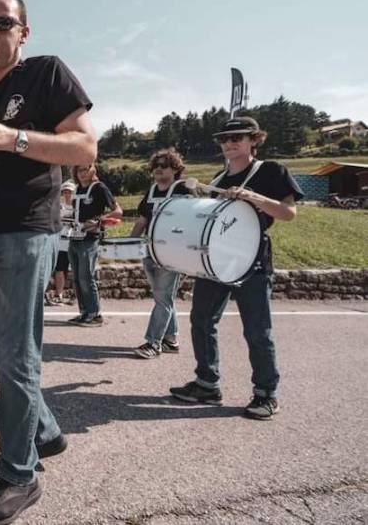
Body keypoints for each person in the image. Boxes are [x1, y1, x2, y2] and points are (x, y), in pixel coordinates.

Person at [0, 0, 97, 525]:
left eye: (2, 24)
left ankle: (21, 474)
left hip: (25, 229)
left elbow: (85, 147)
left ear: (23, 31)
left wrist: (10, 137)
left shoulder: (46, 72)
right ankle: (45, 430)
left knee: (17, 354)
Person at [169, 116, 303, 420]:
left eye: (238, 138)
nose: (230, 143)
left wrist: (253, 197)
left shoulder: (271, 171)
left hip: (252, 262)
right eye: (225, 139)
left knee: (257, 330)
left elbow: (289, 213)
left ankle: (266, 393)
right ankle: (207, 383)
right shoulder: (217, 178)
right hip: (217, 261)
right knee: (201, 320)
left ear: (254, 140)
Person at [130, 149, 190, 358]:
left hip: (172, 252)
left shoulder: (183, 190)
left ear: (175, 169)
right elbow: (142, 220)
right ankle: (171, 340)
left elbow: (191, 222)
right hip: (150, 250)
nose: (158, 169)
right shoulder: (152, 190)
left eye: (163, 165)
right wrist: (130, 241)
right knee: (162, 297)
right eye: (155, 165)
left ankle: (153, 342)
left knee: (163, 298)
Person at [66, 163, 122, 327]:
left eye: (85, 169)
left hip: (90, 238)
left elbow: (118, 211)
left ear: (93, 170)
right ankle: (84, 312)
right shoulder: (77, 189)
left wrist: (99, 220)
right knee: (77, 277)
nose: (82, 173)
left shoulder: (99, 188)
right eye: (79, 170)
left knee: (86, 276)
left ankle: (95, 314)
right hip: (74, 237)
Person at [46, 180, 77, 306]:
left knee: (75, 270)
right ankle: (59, 294)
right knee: (59, 269)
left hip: (74, 240)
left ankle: (76, 295)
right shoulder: (59, 207)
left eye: (69, 192)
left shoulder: (78, 207)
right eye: (65, 192)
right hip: (61, 242)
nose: (67, 194)